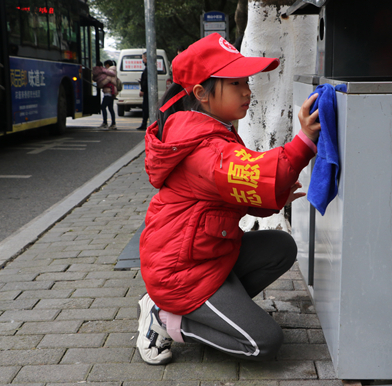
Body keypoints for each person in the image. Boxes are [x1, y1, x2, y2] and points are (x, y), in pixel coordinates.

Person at [136, 33, 321, 365]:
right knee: (264, 342)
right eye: (236, 84)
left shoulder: (211, 130)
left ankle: (215, 312)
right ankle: (167, 319)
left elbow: (238, 189)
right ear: (201, 94)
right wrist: (304, 140)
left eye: (246, 81)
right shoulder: (205, 146)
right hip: (181, 274)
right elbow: (260, 173)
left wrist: (273, 197)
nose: (247, 91)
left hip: (206, 256)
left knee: (282, 246)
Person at [92, 60, 117, 130]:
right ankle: (113, 124)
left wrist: (100, 83)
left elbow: (108, 80)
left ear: (108, 65)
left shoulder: (111, 71)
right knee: (110, 108)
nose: (105, 67)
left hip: (108, 92)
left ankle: (105, 123)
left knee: (103, 107)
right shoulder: (112, 70)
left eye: (105, 65)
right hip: (110, 92)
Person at [136, 52, 148, 130]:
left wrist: (142, 89)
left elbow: (145, 80)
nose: (142, 60)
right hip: (147, 91)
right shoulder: (148, 68)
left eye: (143, 58)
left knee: (146, 108)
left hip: (147, 92)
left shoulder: (148, 68)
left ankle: (144, 124)